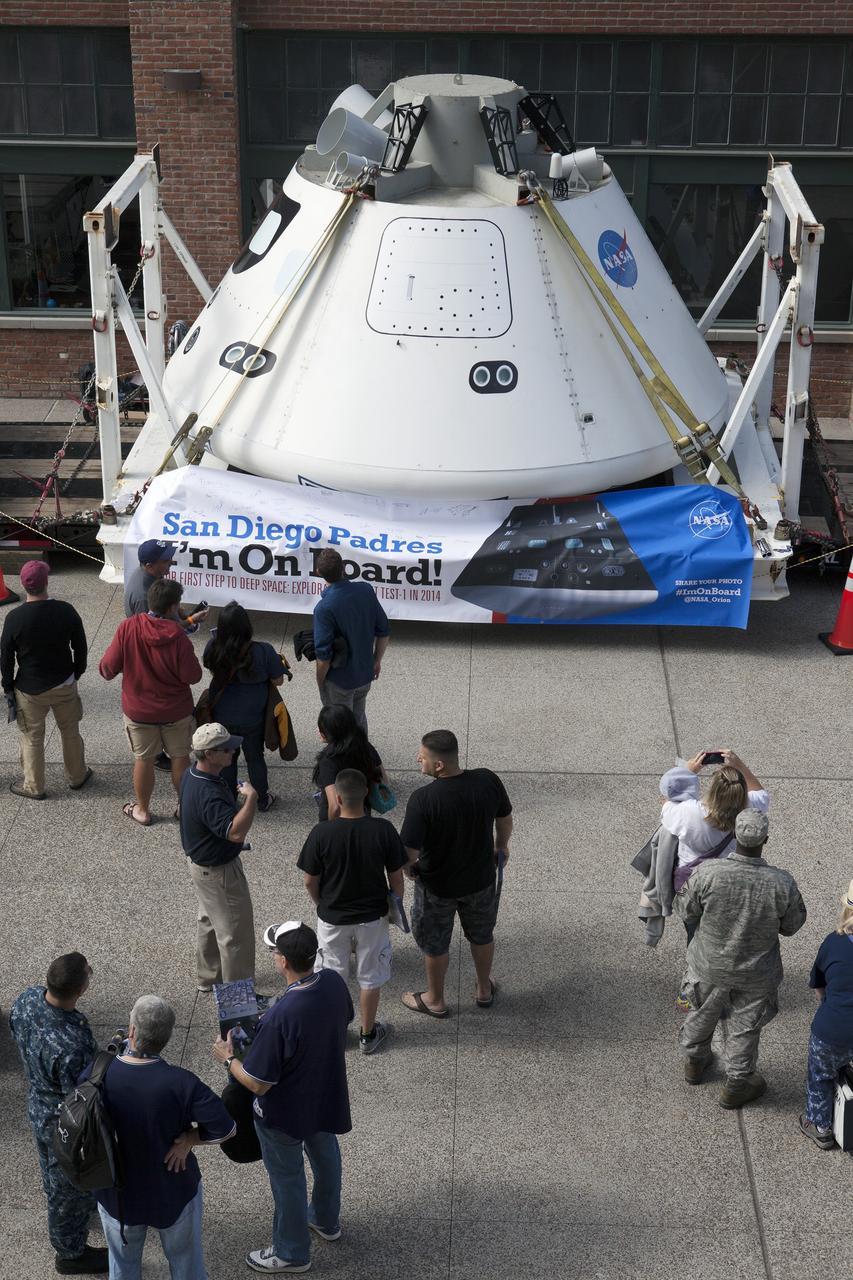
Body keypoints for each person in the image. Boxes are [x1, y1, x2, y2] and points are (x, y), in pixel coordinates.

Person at [212, 921, 353, 1274]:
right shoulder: (333, 983)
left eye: (274, 952)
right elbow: (343, 1020)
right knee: (325, 1154)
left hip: (284, 1112)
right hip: (325, 1094)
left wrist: (227, 1059)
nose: (273, 957)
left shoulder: (280, 1016)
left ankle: (291, 1252)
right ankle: (326, 1220)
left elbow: (258, 1083)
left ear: (284, 961)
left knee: (288, 1179)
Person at [83, 994, 235, 1280]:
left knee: (123, 1267)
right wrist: (190, 1139)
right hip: (172, 1190)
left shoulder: (99, 1073)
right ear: (165, 1039)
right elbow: (226, 1128)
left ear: (131, 1032)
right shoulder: (182, 1083)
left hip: (116, 1195)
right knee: (186, 1263)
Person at [676, 809, 806, 1109]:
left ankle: (695, 1063)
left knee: (699, 1012)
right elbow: (792, 926)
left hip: (708, 966)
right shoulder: (781, 883)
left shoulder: (707, 873)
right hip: (756, 974)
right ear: (766, 840)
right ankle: (737, 1082)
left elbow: (685, 911)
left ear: (734, 836)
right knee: (745, 1028)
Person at [400, 729, 512, 1018]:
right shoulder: (487, 780)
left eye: (422, 757)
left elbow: (409, 852)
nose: (417, 760)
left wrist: (409, 868)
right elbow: (505, 817)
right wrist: (501, 846)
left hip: (438, 887)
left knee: (435, 943)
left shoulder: (423, 799)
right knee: (482, 935)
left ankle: (435, 999)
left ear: (439, 765)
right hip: (481, 880)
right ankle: (484, 989)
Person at [9, 952, 107, 1275]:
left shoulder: (26, 1001)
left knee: (52, 1171)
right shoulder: (73, 1042)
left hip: (38, 1103)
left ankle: (79, 1210)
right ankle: (70, 1252)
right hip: (64, 1118)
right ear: (81, 989)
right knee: (66, 1185)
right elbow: (82, 1089)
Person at [298, 768, 406, 1054]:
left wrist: (320, 902)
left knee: (333, 975)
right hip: (372, 917)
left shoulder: (322, 832)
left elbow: (309, 879)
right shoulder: (383, 830)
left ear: (339, 798)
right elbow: (397, 877)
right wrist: (395, 903)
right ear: (366, 795)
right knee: (370, 975)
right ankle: (368, 1034)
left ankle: (334, 1033)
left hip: (332, 916)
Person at [99, 577, 202, 826]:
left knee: (143, 759)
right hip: (176, 710)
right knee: (180, 757)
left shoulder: (128, 627)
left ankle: (143, 810)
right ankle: (183, 808)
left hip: (139, 711)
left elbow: (107, 669)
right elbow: (193, 676)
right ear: (172, 607)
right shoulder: (179, 637)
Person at [0, 559, 91, 800]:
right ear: (46, 582)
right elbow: (80, 646)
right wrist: (77, 671)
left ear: (23, 585)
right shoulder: (66, 610)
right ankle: (77, 776)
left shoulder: (14, 618)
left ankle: (34, 786)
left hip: (29, 689)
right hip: (64, 682)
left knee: (32, 737)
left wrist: (8, 686)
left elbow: (6, 658)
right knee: (70, 731)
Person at [180, 721, 258, 990]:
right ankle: (239, 999)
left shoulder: (192, 776)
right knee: (235, 934)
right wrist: (251, 800)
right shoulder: (209, 793)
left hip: (200, 867)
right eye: (226, 749)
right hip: (219, 872)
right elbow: (235, 833)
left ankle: (208, 977)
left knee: (210, 921)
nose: (233, 753)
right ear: (209, 754)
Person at [661, 750, 769, 941]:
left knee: (694, 931)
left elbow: (666, 800)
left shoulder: (688, 813)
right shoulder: (750, 809)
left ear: (712, 789)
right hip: (731, 886)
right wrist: (739, 765)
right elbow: (761, 793)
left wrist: (687, 770)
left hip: (693, 886)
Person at [202, 602, 286, 813]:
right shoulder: (264, 650)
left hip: (222, 715)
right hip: (254, 718)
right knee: (255, 758)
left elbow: (208, 666)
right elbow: (278, 681)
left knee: (227, 759)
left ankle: (230, 798)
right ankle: (261, 798)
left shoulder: (213, 648)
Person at [312, 548, 389, 734]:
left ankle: (345, 760)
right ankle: (363, 754)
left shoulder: (324, 608)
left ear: (318, 573)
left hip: (339, 681)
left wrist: (320, 680)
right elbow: (384, 631)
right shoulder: (365, 590)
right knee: (359, 719)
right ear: (344, 568)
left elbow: (323, 657)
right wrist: (376, 661)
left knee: (339, 727)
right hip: (364, 674)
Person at [800, 881, 853, 1149]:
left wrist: (826, 1004)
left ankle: (820, 1125)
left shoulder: (834, 943)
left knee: (820, 1076)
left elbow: (819, 986)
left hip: (832, 1029)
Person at [312, 705, 385, 822]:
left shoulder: (328, 760)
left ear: (329, 733)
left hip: (336, 822)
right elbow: (383, 779)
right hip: (362, 813)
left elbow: (335, 807)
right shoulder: (366, 747)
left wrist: (331, 829)